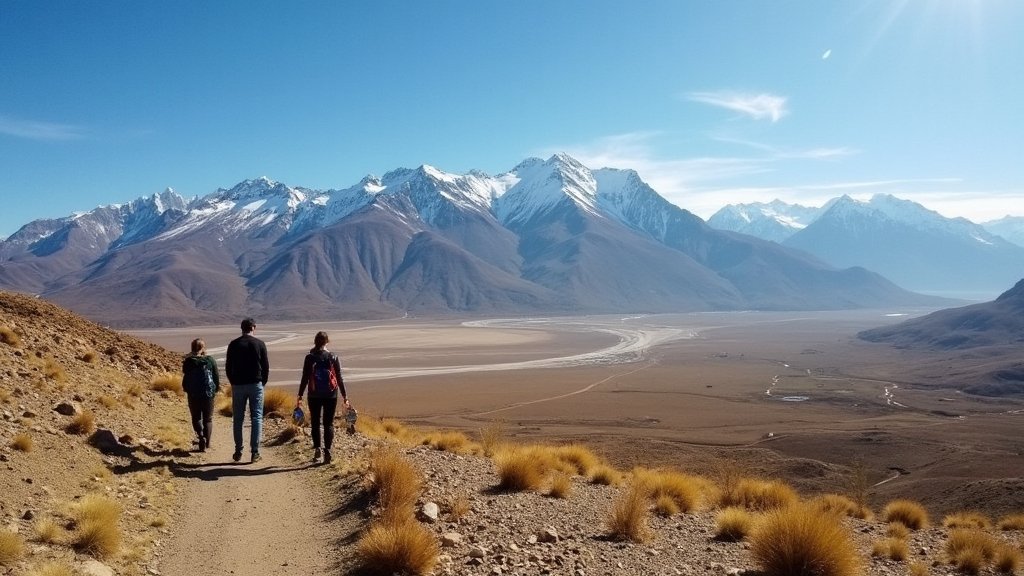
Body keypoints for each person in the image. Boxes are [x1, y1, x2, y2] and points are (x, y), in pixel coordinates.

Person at [296, 331, 348, 464]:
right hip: (331, 394)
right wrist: (345, 395)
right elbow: (339, 378)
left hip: (314, 394)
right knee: (328, 423)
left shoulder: (310, 357)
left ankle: (318, 449)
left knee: (315, 422)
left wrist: (300, 394)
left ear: (315, 342)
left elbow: (305, 377)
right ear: (327, 342)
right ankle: (328, 451)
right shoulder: (333, 356)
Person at [225, 317, 269, 463]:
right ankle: (255, 452)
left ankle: (238, 450)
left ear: (242, 328)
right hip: (255, 384)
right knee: (256, 417)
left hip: (238, 385)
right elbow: (266, 366)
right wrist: (262, 382)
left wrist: (233, 381)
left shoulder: (234, 344)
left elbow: (228, 366)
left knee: (238, 418)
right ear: (254, 328)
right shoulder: (260, 344)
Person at [181, 338, 220, 452]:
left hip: (193, 393)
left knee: (196, 417)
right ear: (203, 348)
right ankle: (207, 443)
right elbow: (216, 376)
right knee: (208, 419)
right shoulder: (210, 360)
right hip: (208, 393)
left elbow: (185, 374)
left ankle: (201, 435)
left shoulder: (188, 361)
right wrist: (215, 389)